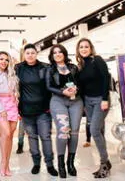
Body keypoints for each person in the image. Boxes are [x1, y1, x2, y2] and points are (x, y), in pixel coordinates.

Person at [16, 44, 57, 176]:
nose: (30, 55)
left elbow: (52, 86)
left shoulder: (45, 67)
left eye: (32, 52)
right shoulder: (18, 68)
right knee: (32, 138)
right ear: (24, 54)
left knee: (45, 137)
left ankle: (50, 165)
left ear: (36, 53)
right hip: (26, 111)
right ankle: (36, 164)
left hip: (43, 111)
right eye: (27, 53)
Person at [75, 38, 112, 178]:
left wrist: (104, 98)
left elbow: (105, 79)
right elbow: (82, 87)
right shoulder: (80, 65)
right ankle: (105, 163)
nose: (84, 49)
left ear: (91, 48)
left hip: (100, 100)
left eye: (86, 46)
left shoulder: (97, 60)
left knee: (94, 130)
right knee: (99, 130)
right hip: (88, 102)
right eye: (81, 47)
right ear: (78, 50)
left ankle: (104, 162)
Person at [45, 44, 82, 178]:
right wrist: (63, 91)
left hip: (76, 102)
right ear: (52, 56)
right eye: (55, 53)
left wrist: (76, 89)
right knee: (63, 130)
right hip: (58, 101)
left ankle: (70, 163)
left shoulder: (73, 67)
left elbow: (80, 83)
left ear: (64, 54)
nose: (58, 54)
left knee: (75, 131)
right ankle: (60, 164)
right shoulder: (50, 69)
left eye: (60, 52)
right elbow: (48, 86)